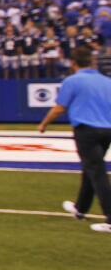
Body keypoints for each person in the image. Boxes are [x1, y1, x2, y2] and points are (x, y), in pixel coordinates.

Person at [38, 46, 111, 233]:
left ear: (73, 63)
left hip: (86, 131)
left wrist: (44, 124)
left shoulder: (72, 81)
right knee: (91, 168)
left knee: (97, 172)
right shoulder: (106, 81)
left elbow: (59, 108)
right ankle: (80, 209)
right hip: (106, 130)